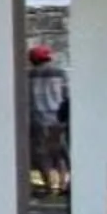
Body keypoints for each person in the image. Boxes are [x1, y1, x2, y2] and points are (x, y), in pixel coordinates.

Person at [27, 43, 72, 199]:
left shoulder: (29, 75)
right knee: (60, 152)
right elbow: (66, 94)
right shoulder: (60, 73)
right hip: (57, 118)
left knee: (41, 154)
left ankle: (48, 185)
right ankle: (63, 184)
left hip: (37, 118)